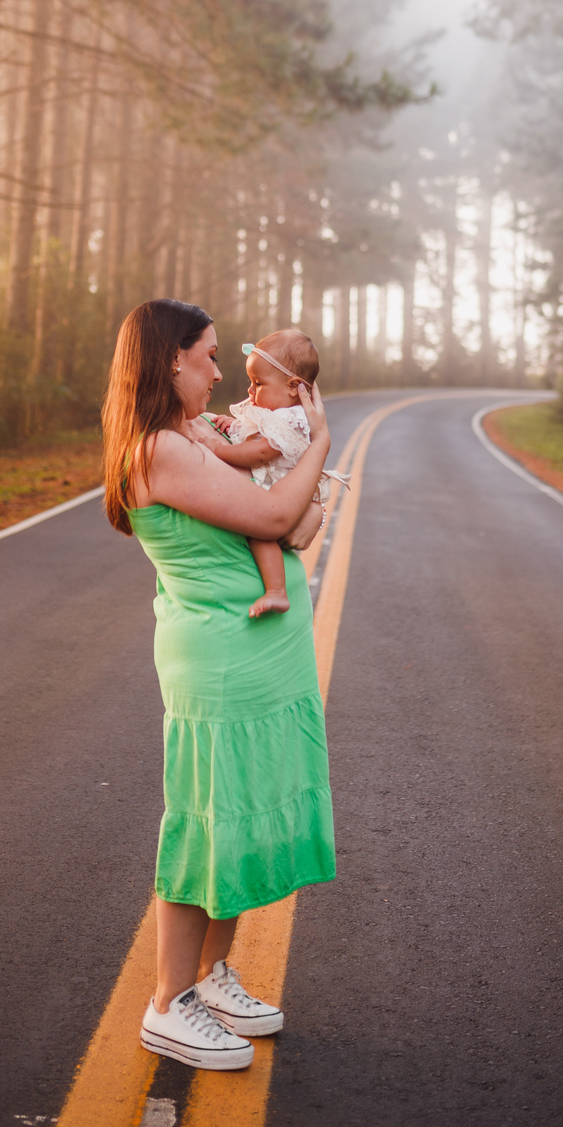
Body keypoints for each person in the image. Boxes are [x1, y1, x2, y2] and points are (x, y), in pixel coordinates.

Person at [103, 298, 336, 1072]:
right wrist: (321, 445)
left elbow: (295, 524)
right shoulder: (162, 450)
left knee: (240, 817)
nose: (215, 371)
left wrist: (296, 493)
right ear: (171, 361)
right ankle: (169, 1004)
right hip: (222, 657)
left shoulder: (190, 440)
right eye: (206, 356)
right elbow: (277, 518)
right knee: (206, 818)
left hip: (258, 652)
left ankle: (208, 978)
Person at [190, 328, 326, 618]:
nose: (250, 391)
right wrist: (232, 425)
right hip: (278, 490)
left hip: (277, 487)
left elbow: (262, 451)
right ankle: (276, 590)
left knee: (259, 533)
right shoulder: (274, 411)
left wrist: (218, 448)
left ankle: (276, 590)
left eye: (258, 383)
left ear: (293, 387)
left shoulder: (290, 417)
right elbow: (251, 432)